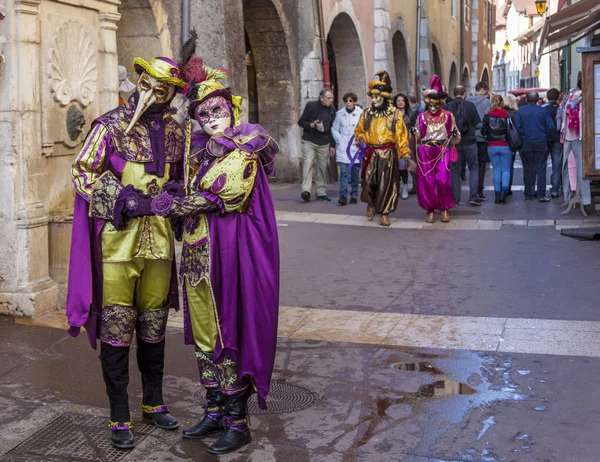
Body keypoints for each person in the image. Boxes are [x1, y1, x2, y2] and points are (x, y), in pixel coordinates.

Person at [152, 62, 280, 454]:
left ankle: (237, 421)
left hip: (229, 255)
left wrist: (173, 203)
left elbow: (225, 196)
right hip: (196, 255)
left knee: (227, 331)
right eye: (202, 114)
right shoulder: (199, 155)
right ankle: (215, 410)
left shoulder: (244, 148)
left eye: (217, 111)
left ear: (232, 110)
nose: (210, 119)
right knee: (204, 334)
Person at [67, 56, 188, 449]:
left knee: (153, 326)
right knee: (117, 329)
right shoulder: (109, 126)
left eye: (164, 88)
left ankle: (153, 402)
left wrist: (176, 196)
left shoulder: (176, 132)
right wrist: (122, 200)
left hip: (160, 249)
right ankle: (119, 412)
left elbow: (182, 179)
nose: (156, 92)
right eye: (150, 83)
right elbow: (82, 171)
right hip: (118, 246)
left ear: (172, 93)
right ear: (139, 80)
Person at [354, 70, 411, 226]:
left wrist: (404, 153)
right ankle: (371, 203)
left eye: (377, 97)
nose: (374, 99)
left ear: (385, 98)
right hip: (371, 153)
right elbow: (359, 131)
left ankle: (385, 212)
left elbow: (401, 134)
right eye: (373, 97)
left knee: (387, 184)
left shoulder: (395, 114)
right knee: (369, 181)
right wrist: (361, 139)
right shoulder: (366, 114)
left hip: (388, 152)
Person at [415, 75, 461, 223]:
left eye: (436, 105)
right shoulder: (421, 117)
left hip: (441, 151)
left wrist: (454, 134)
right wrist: (414, 133)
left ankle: (445, 208)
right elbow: (418, 135)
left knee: (443, 181)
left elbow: (456, 136)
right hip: (426, 151)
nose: (433, 108)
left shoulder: (448, 116)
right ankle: (430, 210)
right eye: (431, 105)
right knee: (427, 181)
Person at [560, 72, 592, 214]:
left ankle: (568, 196)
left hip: (569, 135)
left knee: (567, 167)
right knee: (581, 170)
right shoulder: (583, 95)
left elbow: (564, 114)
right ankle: (586, 200)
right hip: (580, 136)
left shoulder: (571, 95)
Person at [515, 91, 556, 201]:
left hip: (526, 142)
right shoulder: (543, 110)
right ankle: (541, 194)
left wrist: (523, 134)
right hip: (541, 142)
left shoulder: (521, 111)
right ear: (538, 99)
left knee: (528, 168)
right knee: (541, 168)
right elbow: (551, 126)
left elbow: (517, 126)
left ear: (527, 100)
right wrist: (544, 135)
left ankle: (528, 193)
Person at [298, 89, 336, 202]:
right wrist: (312, 125)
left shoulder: (332, 110)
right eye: (328, 98)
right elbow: (301, 122)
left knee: (322, 167)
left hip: (324, 142)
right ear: (321, 98)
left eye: (332, 98)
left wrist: (332, 145)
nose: (331, 100)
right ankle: (306, 191)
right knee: (308, 164)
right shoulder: (311, 106)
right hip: (309, 141)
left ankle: (321, 192)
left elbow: (333, 128)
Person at [446, 85, 482, 206]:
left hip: (454, 143)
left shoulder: (448, 107)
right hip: (470, 142)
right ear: (464, 94)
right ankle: (473, 196)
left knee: (455, 171)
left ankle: (455, 199)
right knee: (473, 168)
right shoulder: (470, 106)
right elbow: (478, 124)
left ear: (454, 93)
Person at [332, 92, 363, 205]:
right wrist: (339, 139)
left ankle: (354, 195)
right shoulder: (340, 114)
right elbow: (334, 128)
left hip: (356, 146)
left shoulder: (361, 114)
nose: (348, 103)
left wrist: (361, 139)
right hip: (344, 147)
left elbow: (364, 128)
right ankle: (343, 196)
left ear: (354, 101)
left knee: (355, 174)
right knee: (344, 173)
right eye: (346, 101)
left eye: (350, 100)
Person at [481, 94, 512, 204]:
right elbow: (511, 131)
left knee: (496, 169)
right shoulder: (507, 115)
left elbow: (483, 132)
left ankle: (497, 194)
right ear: (501, 103)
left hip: (492, 146)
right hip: (505, 145)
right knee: (506, 170)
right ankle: (504, 191)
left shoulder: (487, 116)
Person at [467, 81, 491, 201]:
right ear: (483, 90)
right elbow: (486, 118)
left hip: (469, 136)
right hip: (482, 137)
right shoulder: (486, 102)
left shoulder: (467, 100)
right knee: (481, 165)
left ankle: (473, 191)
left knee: (471, 165)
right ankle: (479, 191)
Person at [393, 93, 417, 199]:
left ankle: (405, 187)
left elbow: (414, 128)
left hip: (407, 143)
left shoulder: (411, 114)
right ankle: (396, 187)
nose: (400, 102)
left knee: (404, 165)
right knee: (396, 167)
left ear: (406, 102)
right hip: (394, 143)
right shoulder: (392, 114)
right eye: (398, 101)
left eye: (402, 100)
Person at [543, 88, 563, 199]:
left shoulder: (543, 109)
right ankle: (555, 189)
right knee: (557, 164)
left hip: (545, 139)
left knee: (542, 164)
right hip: (558, 139)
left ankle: (541, 188)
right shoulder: (560, 108)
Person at [502, 94, 519, 195]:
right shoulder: (515, 114)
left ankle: (500, 187)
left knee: (500, 167)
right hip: (511, 143)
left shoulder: (500, 113)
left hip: (500, 142)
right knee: (510, 166)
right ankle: (508, 187)